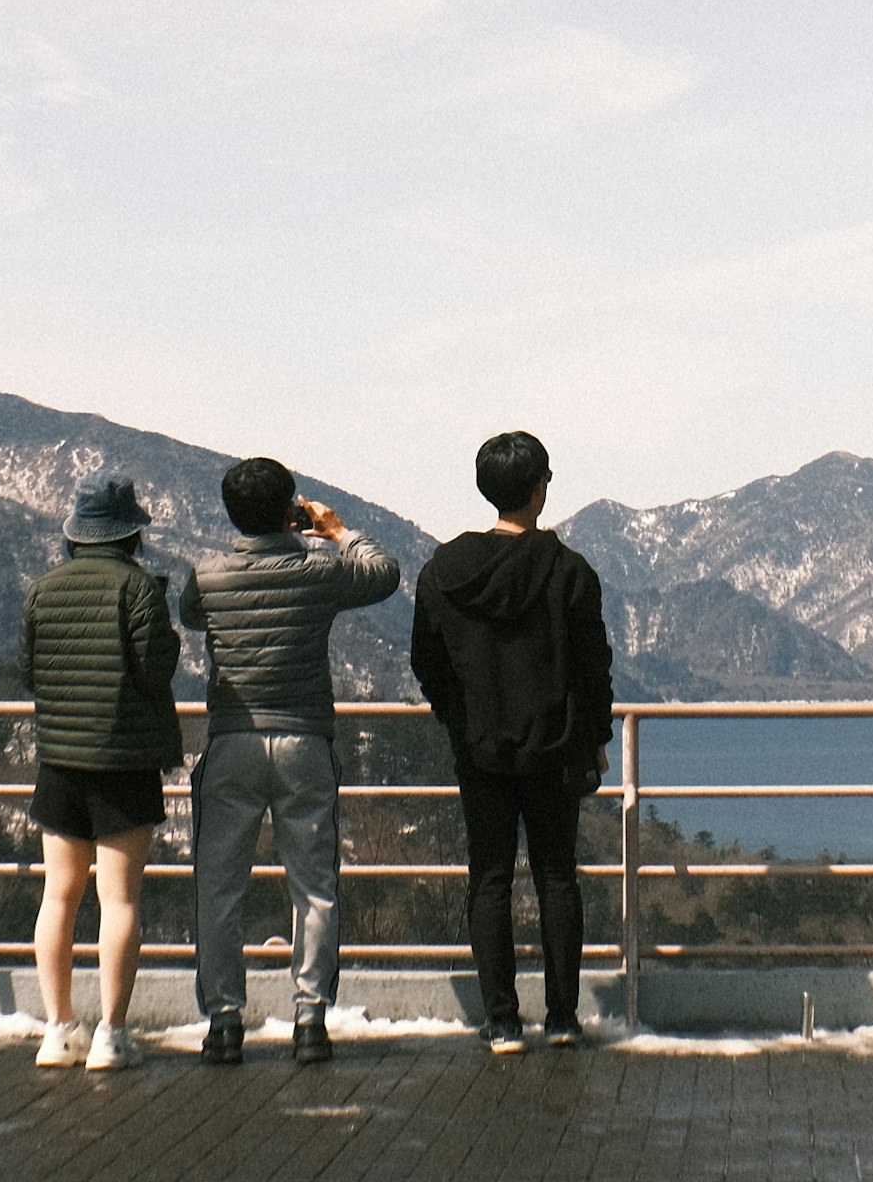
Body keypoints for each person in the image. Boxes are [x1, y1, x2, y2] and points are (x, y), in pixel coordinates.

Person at [173, 456, 398, 1066]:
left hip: (231, 741)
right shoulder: (318, 570)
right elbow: (382, 573)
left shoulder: (208, 574)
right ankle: (310, 1018)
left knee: (219, 886)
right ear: (288, 508)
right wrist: (333, 528)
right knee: (314, 885)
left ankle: (223, 1021)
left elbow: (191, 614)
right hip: (304, 741)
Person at [410, 430, 615, 1055]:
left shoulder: (444, 570)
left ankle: (501, 1021)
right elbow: (592, 667)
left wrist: (459, 716)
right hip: (555, 750)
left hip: (481, 749)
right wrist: (596, 737)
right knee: (557, 877)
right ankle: (562, 1018)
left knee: (490, 878)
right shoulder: (569, 571)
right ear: (538, 490)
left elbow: (428, 662)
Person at [19, 472, 181, 1071]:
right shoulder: (140, 589)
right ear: (131, 532)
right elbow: (153, 672)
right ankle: (112, 1034)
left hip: (60, 759)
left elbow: (28, 672)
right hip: (126, 761)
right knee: (119, 900)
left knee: (58, 897)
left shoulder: (42, 589)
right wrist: (168, 637)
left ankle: (58, 1030)